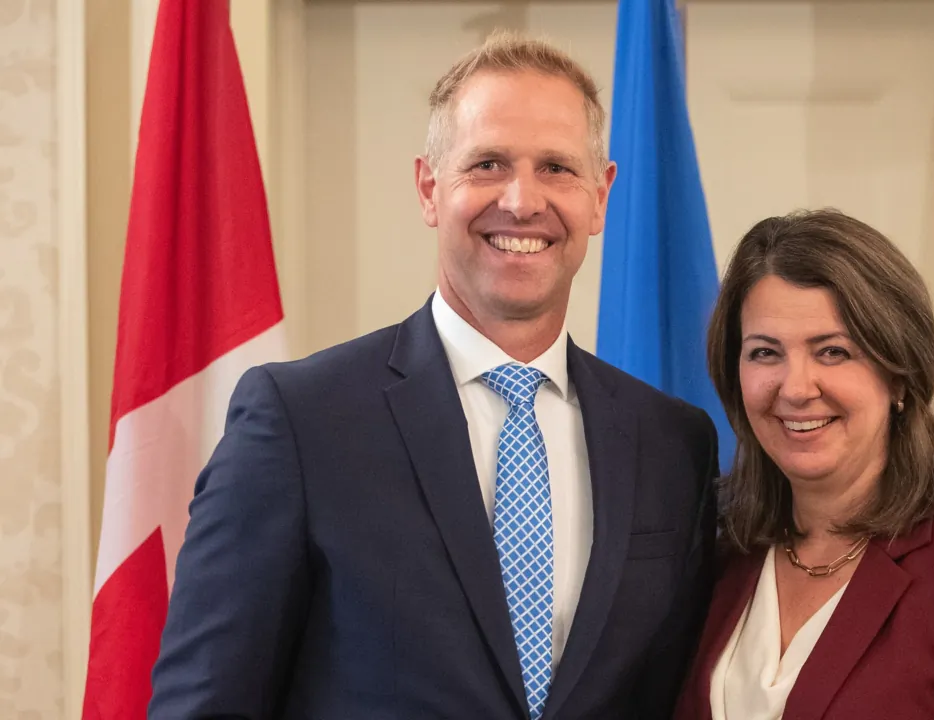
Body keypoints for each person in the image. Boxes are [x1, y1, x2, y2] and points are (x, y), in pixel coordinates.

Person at [149, 33, 719, 720]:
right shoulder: (299, 422)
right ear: (429, 187)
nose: (521, 200)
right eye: (487, 163)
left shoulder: (673, 443)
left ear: (600, 198)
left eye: (557, 169)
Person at [672, 209, 934, 720]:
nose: (796, 388)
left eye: (833, 352)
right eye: (765, 353)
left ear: (900, 378)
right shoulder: (722, 558)